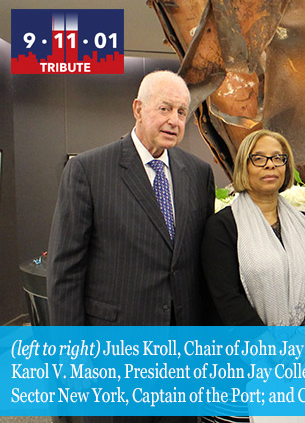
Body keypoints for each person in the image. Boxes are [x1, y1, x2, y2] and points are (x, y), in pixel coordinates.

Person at [47, 70, 215, 328]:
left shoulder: (199, 174)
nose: (174, 120)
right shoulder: (88, 171)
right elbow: (65, 272)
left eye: (182, 112)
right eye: (165, 108)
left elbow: (200, 264)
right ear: (138, 109)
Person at [200, 129, 305, 327]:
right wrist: (268, 345)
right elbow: (226, 297)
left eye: (278, 158)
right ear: (244, 167)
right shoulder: (222, 227)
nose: (270, 165)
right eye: (259, 159)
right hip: (249, 349)